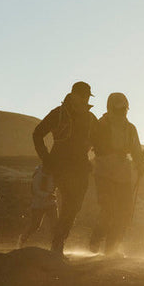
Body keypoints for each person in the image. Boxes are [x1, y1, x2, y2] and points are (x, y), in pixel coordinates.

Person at [32, 81, 98, 257]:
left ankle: (58, 242)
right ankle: (57, 244)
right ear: (74, 95)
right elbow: (37, 133)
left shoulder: (91, 118)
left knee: (73, 207)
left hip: (81, 168)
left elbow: (100, 141)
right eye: (83, 96)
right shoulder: (58, 114)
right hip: (61, 167)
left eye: (87, 97)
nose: (85, 99)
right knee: (69, 205)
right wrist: (46, 158)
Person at [88, 92, 144, 256]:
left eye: (124, 109)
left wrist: (140, 164)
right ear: (111, 108)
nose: (122, 112)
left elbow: (136, 150)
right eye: (119, 109)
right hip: (104, 172)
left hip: (123, 175)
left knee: (124, 212)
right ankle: (97, 237)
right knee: (108, 209)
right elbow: (88, 144)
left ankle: (111, 249)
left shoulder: (130, 128)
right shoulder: (100, 125)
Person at [17, 164, 58, 248]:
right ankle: (22, 239)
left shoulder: (53, 174)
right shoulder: (38, 175)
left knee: (55, 224)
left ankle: (56, 245)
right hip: (38, 204)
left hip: (51, 203)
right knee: (35, 225)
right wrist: (47, 195)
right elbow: (35, 190)